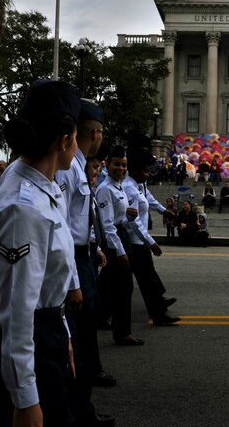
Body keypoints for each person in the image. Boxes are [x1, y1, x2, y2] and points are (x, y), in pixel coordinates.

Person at [0, 80, 87, 427]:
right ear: (64, 140)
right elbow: (17, 310)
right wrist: (25, 398)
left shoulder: (40, 184)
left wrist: (64, 336)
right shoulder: (24, 208)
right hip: (26, 345)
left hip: (44, 334)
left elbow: (45, 284)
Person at [54, 99, 117, 425]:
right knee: (76, 337)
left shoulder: (79, 165)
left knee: (85, 332)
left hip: (85, 255)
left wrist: (93, 246)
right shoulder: (69, 169)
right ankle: (79, 410)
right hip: (75, 260)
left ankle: (82, 402)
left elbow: (80, 221)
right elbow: (62, 224)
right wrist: (75, 280)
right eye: (101, 132)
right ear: (95, 132)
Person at [124, 144, 180, 326]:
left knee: (147, 278)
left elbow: (148, 199)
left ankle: (158, 310)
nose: (148, 174)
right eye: (146, 171)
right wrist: (151, 242)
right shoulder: (129, 188)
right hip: (134, 241)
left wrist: (164, 211)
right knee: (143, 280)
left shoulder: (138, 184)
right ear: (135, 170)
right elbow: (134, 222)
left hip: (138, 241)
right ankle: (158, 314)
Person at [95, 144, 145, 346]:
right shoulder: (105, 189)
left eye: (124, 165)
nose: (121, 169)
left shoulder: (119, 187)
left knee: (113, 287)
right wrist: (120, 251)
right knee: (123, 289)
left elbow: (119, 218)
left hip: (122, 235)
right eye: (117, 164)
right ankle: (122, 332)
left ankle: (110, 323)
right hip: (115, 242)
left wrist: (128, 216)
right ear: (107, 164)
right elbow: (107, 225)